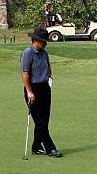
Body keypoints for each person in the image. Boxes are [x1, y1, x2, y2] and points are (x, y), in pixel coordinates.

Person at [20, 28, 62, 158]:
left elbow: (48, 67)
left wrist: (49, 77)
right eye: (43, 41)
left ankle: (36, 147)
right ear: (36, 40)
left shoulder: (44, 53)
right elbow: (25, 74)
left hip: (45, 88)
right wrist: (29, 92)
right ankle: (50, 148)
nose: (45, 44)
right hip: (33, 89)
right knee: (40, 121)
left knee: (44, 120)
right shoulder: (27, 53)